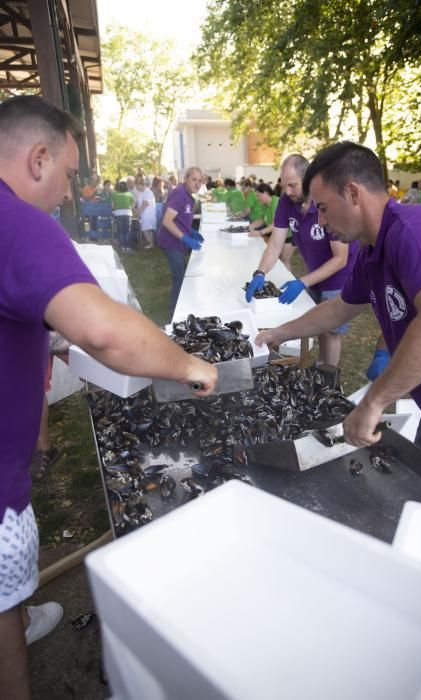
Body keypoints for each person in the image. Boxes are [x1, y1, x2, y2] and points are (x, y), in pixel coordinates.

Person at [0, 96, 218, 700]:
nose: (70, 193)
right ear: (38, 158)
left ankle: (18, 612)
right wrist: (189, 364)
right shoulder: (18, 221)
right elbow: (104, 330)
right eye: (69, 175)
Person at [255, 141, 421, 475]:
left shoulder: (415, 232)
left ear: (353, 193)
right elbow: (339, 308)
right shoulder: (370, 254)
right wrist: (280, 332)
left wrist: (374, 402)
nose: (321, 221)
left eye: (323, 207)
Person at [245, 154, 358, 367]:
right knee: (318, 324)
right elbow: (276, 243)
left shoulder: (327, 203)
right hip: (314, 272)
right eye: (284, 185)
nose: (287, 192)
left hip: (339, 276)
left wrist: (303, 281)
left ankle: (327, 377)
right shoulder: (287, 203)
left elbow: (340, 259)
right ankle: (321, 366)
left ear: (308, 178)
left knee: (330, 330)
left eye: (293, 185)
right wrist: (260, 272)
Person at [157, 167, 204, 321]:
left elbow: (180, 219)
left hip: (178, 240)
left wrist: (190, 231)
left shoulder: (189, 196)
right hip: (171, 242)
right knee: (180, 277)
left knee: (183, 275)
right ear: (186, 178)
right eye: (194, 179)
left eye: (200, 180)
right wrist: (186, 238)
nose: (197, 183)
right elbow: (167, 221)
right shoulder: (180, 194)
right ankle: (174, 315)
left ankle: (181, 308)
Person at [134, 173, 156, 249]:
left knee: (145, 230)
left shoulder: (147, 192)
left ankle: (151, 243)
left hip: (148, 214)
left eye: (137, 186)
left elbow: (144, 204)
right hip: (144, 214)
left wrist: (137, 212)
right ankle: (151, 242)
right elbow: (138, 202)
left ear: (141, 185)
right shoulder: (141, 192)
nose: (136, 188)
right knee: (147, 230)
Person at [111, 180, 134, 252]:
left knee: (120, 231)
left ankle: (123, 247)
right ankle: (128, 247)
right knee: (127, 231)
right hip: (128, 213)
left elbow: (112, 205)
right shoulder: (130, 194)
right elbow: (133, 205)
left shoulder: (114, 194)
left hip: (118, 213)